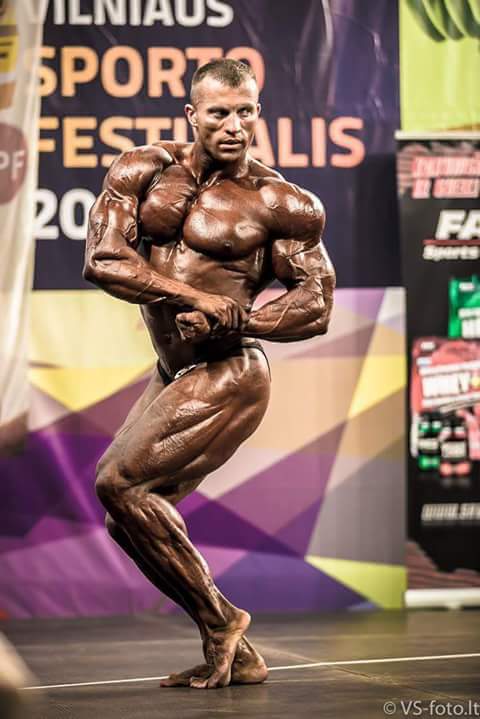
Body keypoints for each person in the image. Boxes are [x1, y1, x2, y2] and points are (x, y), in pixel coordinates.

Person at [84, 58, 335, 690]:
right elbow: (104, 260)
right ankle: (235, 648)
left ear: (258, 113)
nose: (233, 125)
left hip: (230, 370)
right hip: (172, 369)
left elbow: (316, 303)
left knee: (120, 484)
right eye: (219, 112)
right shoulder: (142, 169)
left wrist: (240, 319)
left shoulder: (279, 201)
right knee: (128, 514)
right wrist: (196, 298)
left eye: (245, 111)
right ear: (192, 114)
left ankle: (223, 622)